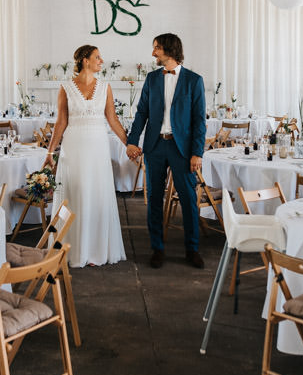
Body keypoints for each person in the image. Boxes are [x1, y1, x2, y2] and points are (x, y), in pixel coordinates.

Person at [126, 33, 206, 269]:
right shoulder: (151, 79)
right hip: (155, 146)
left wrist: (197, 153)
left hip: (182, 149)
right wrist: (132, 140)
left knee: (189, 199)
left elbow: (199, 121)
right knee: (154, 200)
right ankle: (157, 248)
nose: (153, 53)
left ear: (169, 50)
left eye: (157, 48)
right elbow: (141, 113)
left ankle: (192, 249)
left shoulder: (194, 80)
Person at [43, 45, 127, 267]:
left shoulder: (105, 87)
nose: (102, 61)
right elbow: (61, 122)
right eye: (97, 57)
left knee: (96, 193)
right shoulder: (66, 88)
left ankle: (95, 250)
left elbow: (113, 119)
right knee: (75, 192)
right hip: (74, 147)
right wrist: (50, 152)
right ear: (85, 61)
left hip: (98, 147)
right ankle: (72, 249)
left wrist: (130, 144)